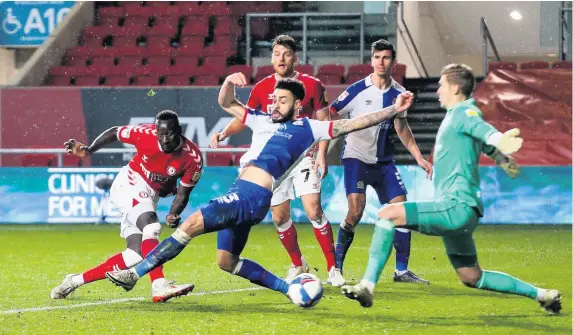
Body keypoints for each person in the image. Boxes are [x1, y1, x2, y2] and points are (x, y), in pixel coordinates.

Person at [105, 74, 414, 305]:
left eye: (281, 100)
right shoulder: (263, 119)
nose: (274, 104)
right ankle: (290, 288)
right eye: (274, 99)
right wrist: (228, 81)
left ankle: (135, 274)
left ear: (296, 104)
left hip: (250, 195)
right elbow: (227, 103)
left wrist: (391, 110)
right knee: (226, 261)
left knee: (190, 224)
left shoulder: (310, 127)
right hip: (247, 193)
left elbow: (353, 124)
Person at [341, 64, 562, 315]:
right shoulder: (461, 116)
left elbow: (482, 130)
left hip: (455, 206)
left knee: (386, 214)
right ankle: (542, 295)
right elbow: (481, 139)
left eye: (442, 85)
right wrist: (502, 158)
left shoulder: (463, 113)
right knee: (471, 276)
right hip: (464, 213)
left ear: (455, 88)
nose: (437, 90)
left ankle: (367, 286)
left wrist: (499, 139)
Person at [211, 35, 342, 285]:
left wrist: (322, 155)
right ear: (272, 58)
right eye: (277, 54)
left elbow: (325, 122)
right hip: (275, 160)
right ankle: (298, 264)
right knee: (280, 217)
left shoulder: (312, 85)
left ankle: (333, 268)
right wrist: (225, 132)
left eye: (286, 54)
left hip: (304, 156)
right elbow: (244, 117)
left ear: (295, 58)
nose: (281, 59)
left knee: (313, 209)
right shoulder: (261, 88)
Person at [51, 110, 202, 303]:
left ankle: (73, 281)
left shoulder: (193, 158)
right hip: (130, 183)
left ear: (179, 131)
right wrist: (89, 150)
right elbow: (115, 131)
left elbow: (183, 194)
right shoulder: (145, 134)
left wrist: (173, 213)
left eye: (169, 134)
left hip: (150, 196)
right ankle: (159, 285)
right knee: (152, 227)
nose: (163, 139)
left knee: (135, 255)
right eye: (160, 133)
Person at [330, 39, 432, 284]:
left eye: (386, 58)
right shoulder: (356, 90)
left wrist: (418, 156)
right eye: (377, 57)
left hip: (385, 163)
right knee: (355, 212)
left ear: (393, 62)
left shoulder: (398, 94)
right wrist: (320, 148)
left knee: (402, 211)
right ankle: (336, 268)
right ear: (371, 60)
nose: (380, 62)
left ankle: (401, 271)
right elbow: (331, 114)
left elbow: (401, 126)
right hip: (356, 159)